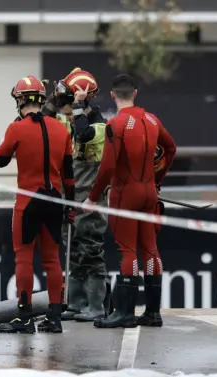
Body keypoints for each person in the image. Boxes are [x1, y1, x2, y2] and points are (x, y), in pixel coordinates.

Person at [85, 74, 177, 329]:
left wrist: (93, 198)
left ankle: (124, 313)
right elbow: (171, 149)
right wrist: (157, 178)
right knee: (150, 250)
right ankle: (152, 313)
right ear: (135, 93)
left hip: (125, 193)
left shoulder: (115, 124)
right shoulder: (151, 119)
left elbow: (107, 167)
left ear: (113, 95)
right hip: (149, 191)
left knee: (127, 250)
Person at [0, 76, 76, 334]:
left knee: (24, 258)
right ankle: (54, 316)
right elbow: (69, 175)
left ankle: (25, 317)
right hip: (54, 200)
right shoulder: (61, 129)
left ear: (20, 100)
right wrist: (70, 206)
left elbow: (0, 160)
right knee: (52, 260)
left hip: (28, 200)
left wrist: (16, 131)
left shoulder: (16, 128)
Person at [41, 67, 111, 322]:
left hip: (92, 199)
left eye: (71, 100)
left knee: (91, 251)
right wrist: (53, 101)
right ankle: (77, 303)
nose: (68, 106)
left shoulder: (101, 126)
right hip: (68, 197)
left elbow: (84, 134)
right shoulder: (67, 119)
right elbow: (42, 123)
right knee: (73, 250)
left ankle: (96, 306)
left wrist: (79, 104)